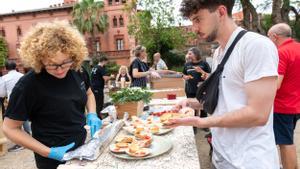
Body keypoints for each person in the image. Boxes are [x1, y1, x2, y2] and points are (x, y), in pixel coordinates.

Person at [165, 1, 280, 168]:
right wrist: (191, 102)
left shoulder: (256, 45)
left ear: (220, 12)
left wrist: (202, 122)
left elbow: (258, 114)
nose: (194, 28)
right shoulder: (219, 52)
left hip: (250, 161)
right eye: (192, 22)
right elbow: (225, 99)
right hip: (222, 156)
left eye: (198, 19)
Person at [2, 21, 102, 169]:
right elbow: (9, 128)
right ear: (39, 59)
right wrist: (48, 152)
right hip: (50, 156)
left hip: (81, 146)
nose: (60, 69)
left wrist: (92, 114)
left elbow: (88, 93)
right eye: (52, 64)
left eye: (64, 62)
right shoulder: (28, 85)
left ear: (73, 55)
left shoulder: (77, 71)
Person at [268, 23, 300, 169]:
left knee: (285, 143)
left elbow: (276, 84)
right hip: (296, 104)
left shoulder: (281, 52)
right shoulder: (298, 47)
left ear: (275, 37)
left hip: (283, 106)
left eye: (269, 37)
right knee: (288, 139)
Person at [0, 60, 31, 152]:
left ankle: (21, 143)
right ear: (15, 67)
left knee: (14, 121)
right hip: (27, 100)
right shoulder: (22, 76)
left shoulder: (4, 78)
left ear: (6, 68)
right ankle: (28, 136)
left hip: (13, 101)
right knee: (24, 119)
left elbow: (1, 93)